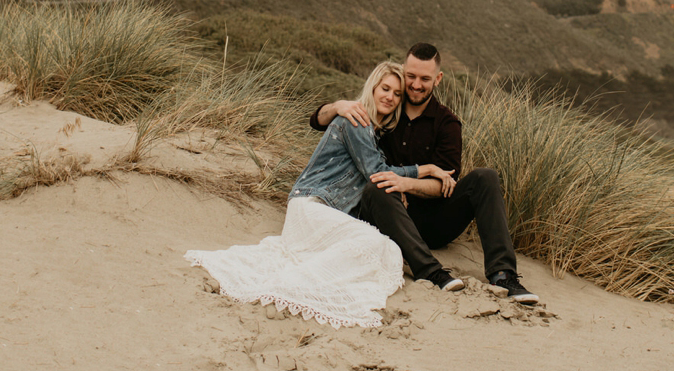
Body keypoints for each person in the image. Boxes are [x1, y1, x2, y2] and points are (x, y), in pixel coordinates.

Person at [186, 60, 465, 329]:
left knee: (384, 246)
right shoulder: (356, 120)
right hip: (311, 205)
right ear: (372, 87)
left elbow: (379, 171)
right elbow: (376, 172)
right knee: (376, 245)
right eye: (385, 89)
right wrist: (427, 168)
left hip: (327, 211)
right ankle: (293, 285)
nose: (391, 97)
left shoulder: (374, 133)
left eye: (397, 93)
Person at [311, 41, 541, 304]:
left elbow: (447, 183)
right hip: (388, 218)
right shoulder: (386, 107)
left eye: (425, 78)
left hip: (434, 222)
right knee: (379, 186)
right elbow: (318, 122)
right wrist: (338, 105)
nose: (416, 84)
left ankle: (503, 275)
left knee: (485, 177)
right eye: (411, 76)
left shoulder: (447, 123)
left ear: (438, 79)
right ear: (403, 71)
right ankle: (430, 272)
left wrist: (406, 184)